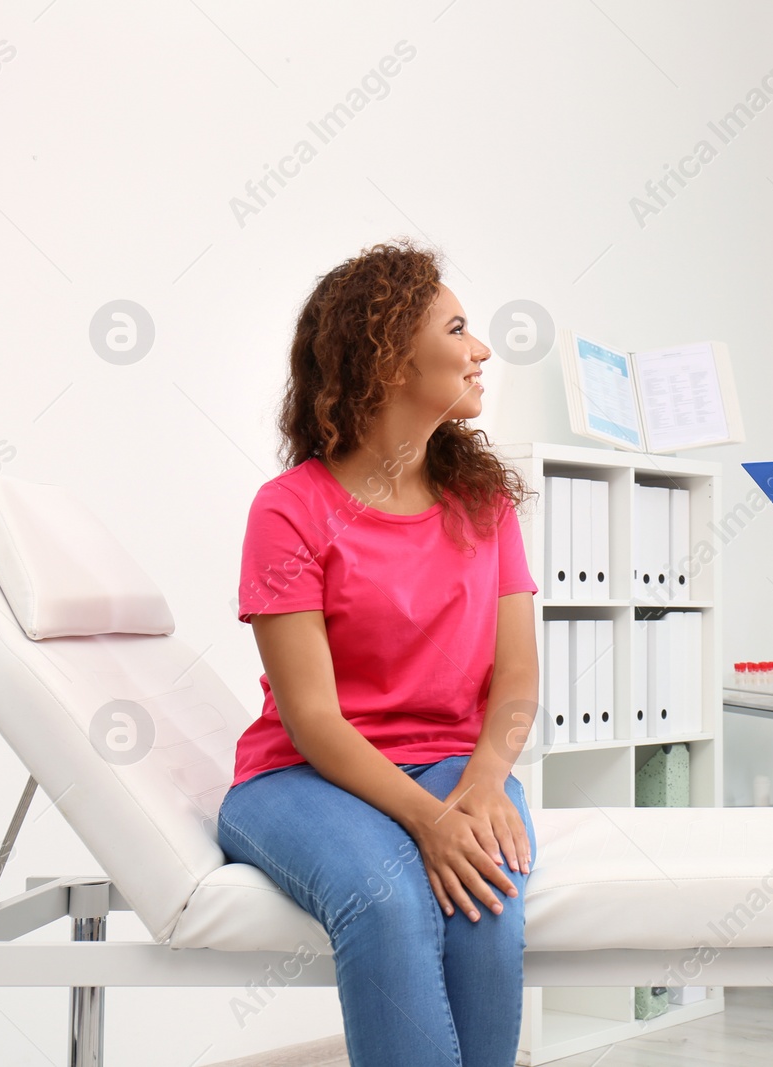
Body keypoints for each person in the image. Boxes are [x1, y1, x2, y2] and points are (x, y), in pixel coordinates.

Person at [217, 240, 539, 1067]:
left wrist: (481, 783)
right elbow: (313, 717)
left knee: (487, 900)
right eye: (458, 328)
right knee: (386, 897)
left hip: (450, 762)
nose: (481, 350)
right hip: (298, 774)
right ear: (390, 357)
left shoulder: (484, 502)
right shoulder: (290, 510)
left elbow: (517, 678)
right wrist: (431, 822)